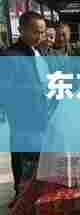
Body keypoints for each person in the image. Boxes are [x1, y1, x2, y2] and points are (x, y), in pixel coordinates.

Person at [2, 11, 49, 195]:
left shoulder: (37, 52)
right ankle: (20, 196)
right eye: (36, 32)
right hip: (24, 121)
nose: (40, 36)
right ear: (21, 30)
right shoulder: (10, 56)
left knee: (38, 164)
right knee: (24, 166)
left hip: (41, 116)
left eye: (42, 32)